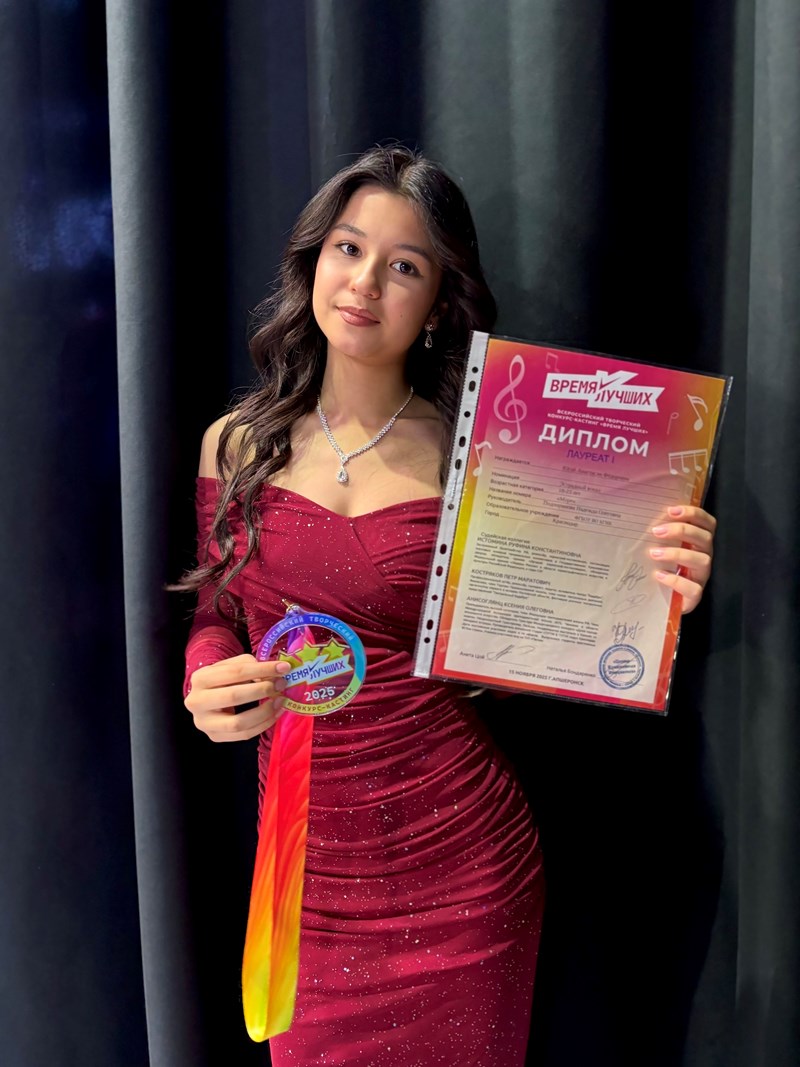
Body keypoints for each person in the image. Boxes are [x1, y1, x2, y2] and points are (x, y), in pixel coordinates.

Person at [177, 145, 717, 1066]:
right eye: (349, 248)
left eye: (404, 267)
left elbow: (561, 627)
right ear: (313, 260)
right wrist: (206, 678)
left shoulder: (489, 457)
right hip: (308, 881)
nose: (365, 283)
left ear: (435, 304)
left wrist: (654, 584)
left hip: (465, 873)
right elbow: (217, 612)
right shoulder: (235, 444)